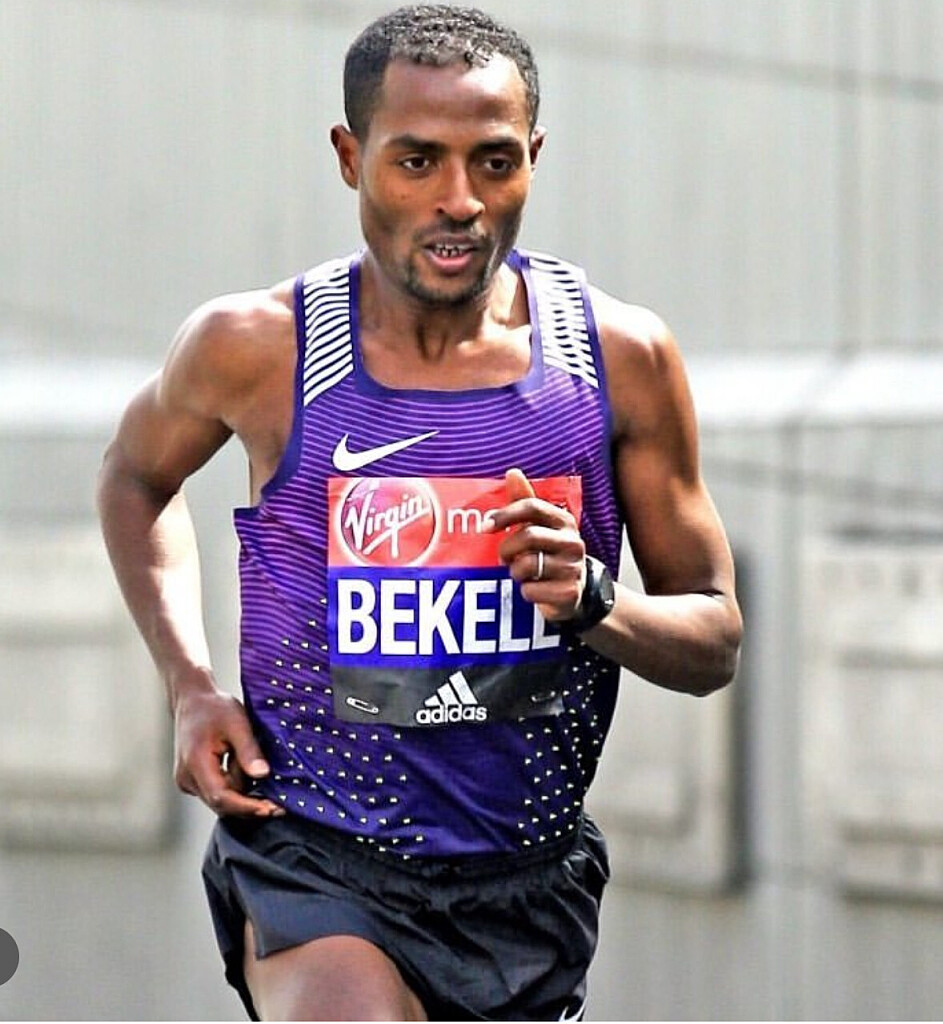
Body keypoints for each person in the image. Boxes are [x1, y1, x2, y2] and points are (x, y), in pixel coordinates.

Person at [97, 5, 742, 1020]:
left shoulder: (618, 359)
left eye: (493, 163)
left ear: (532, 159)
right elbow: (134, 480)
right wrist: (189, 684)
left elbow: (713, 640)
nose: (459, 202)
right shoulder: (254, 347)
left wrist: (594, 602)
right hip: (315, 851)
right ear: (350, 157)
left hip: (525, 886)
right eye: (416, 162)